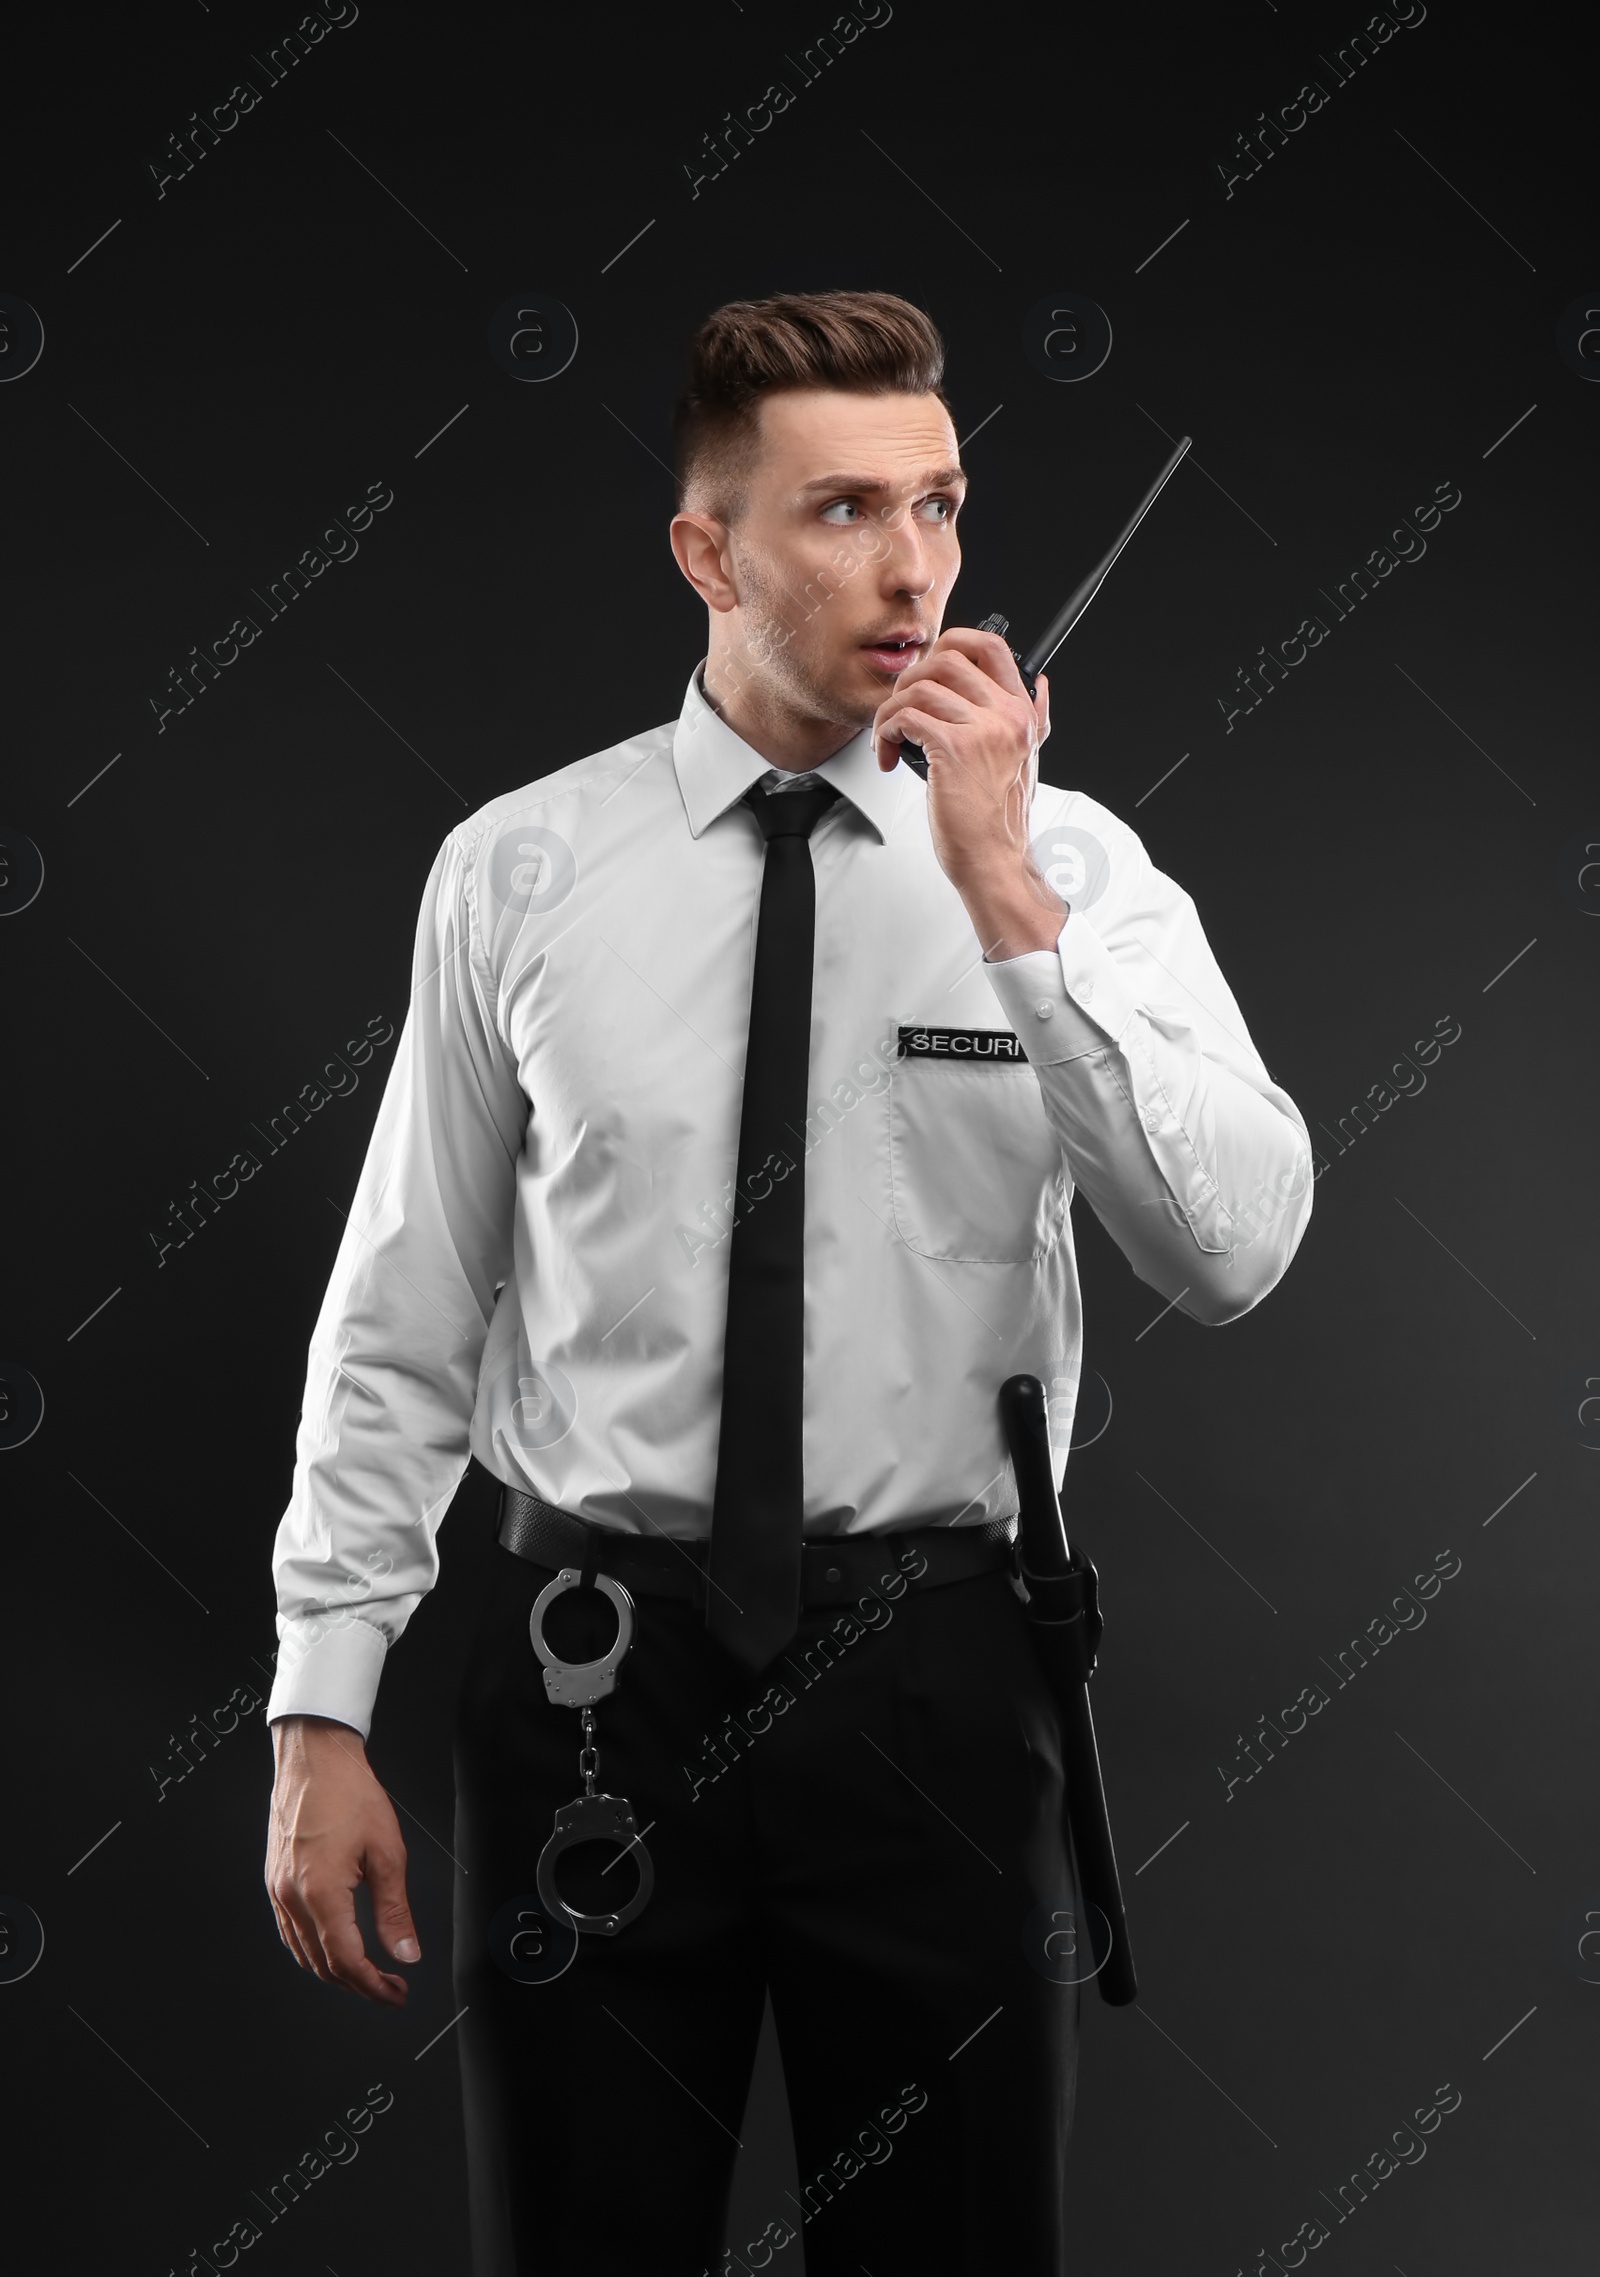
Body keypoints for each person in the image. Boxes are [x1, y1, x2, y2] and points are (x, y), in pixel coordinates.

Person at [263, 289, 1314, 2275]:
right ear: (705, 548)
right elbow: (407, 1306)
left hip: (931, 1672)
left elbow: (1235, 1246)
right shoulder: (517, 872)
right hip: (589, 1671)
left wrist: (1005, 899)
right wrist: (324, 1704)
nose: (912, 564)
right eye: (841, 509)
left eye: (938, 504)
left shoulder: (1075, 871)